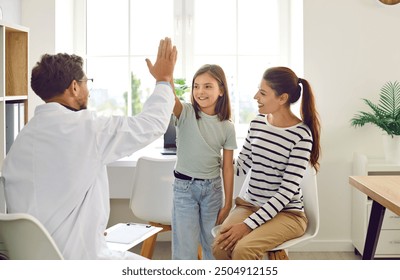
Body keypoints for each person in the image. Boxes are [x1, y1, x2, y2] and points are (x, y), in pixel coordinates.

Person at [1, 38, 177, 260]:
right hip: (80, 259)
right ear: (74, 87)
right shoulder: (89, 129)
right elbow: (151, 125)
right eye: (86, 82)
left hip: (34, 261)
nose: (89, 90)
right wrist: (163, 80)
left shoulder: (22, 140)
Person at [212, 66, 321, 260]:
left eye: (262, 93)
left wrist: (247, 226)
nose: (256, 96)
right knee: (221, 246)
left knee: (243, 250)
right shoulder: (258, 123)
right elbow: (242, 166)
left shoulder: (301, 135)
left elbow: (286, 193)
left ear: (282, 98)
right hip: (249, 205)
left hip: (288, 214)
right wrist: (214, 150)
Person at [171, 64, 237, 259]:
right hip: (184, 189)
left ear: (221, 90)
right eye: (196, 86)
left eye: (207, 86)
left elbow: (227, 168)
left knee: (213, 245)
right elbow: (171, 97)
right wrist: (166, 75)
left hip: (212, 191)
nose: (200, 91)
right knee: (185, 248)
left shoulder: (227, 126)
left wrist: (228, 203)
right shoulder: (185, 112)